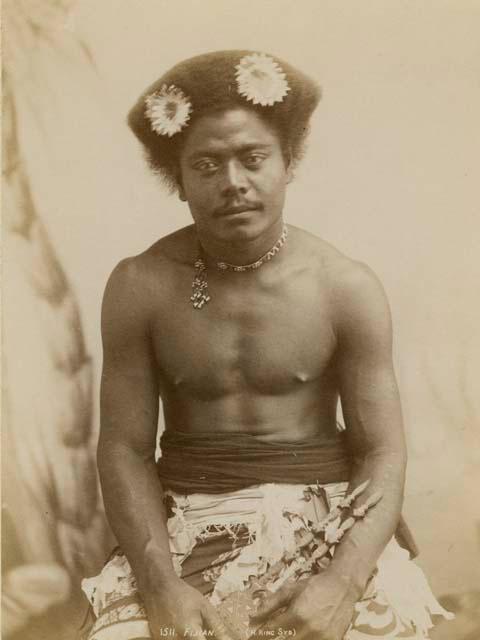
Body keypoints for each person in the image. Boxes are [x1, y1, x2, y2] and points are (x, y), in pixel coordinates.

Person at [81, 51, 452, 640]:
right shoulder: (139, 285)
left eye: (253, 159)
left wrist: (344, 583)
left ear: (288, 164)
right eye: (206, 164)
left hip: (328, 527)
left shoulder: (344, 286)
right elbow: (124, 450)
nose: (233, 183)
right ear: (178, 179)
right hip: (183, 528)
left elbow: (382, 453)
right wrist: (159, 586)